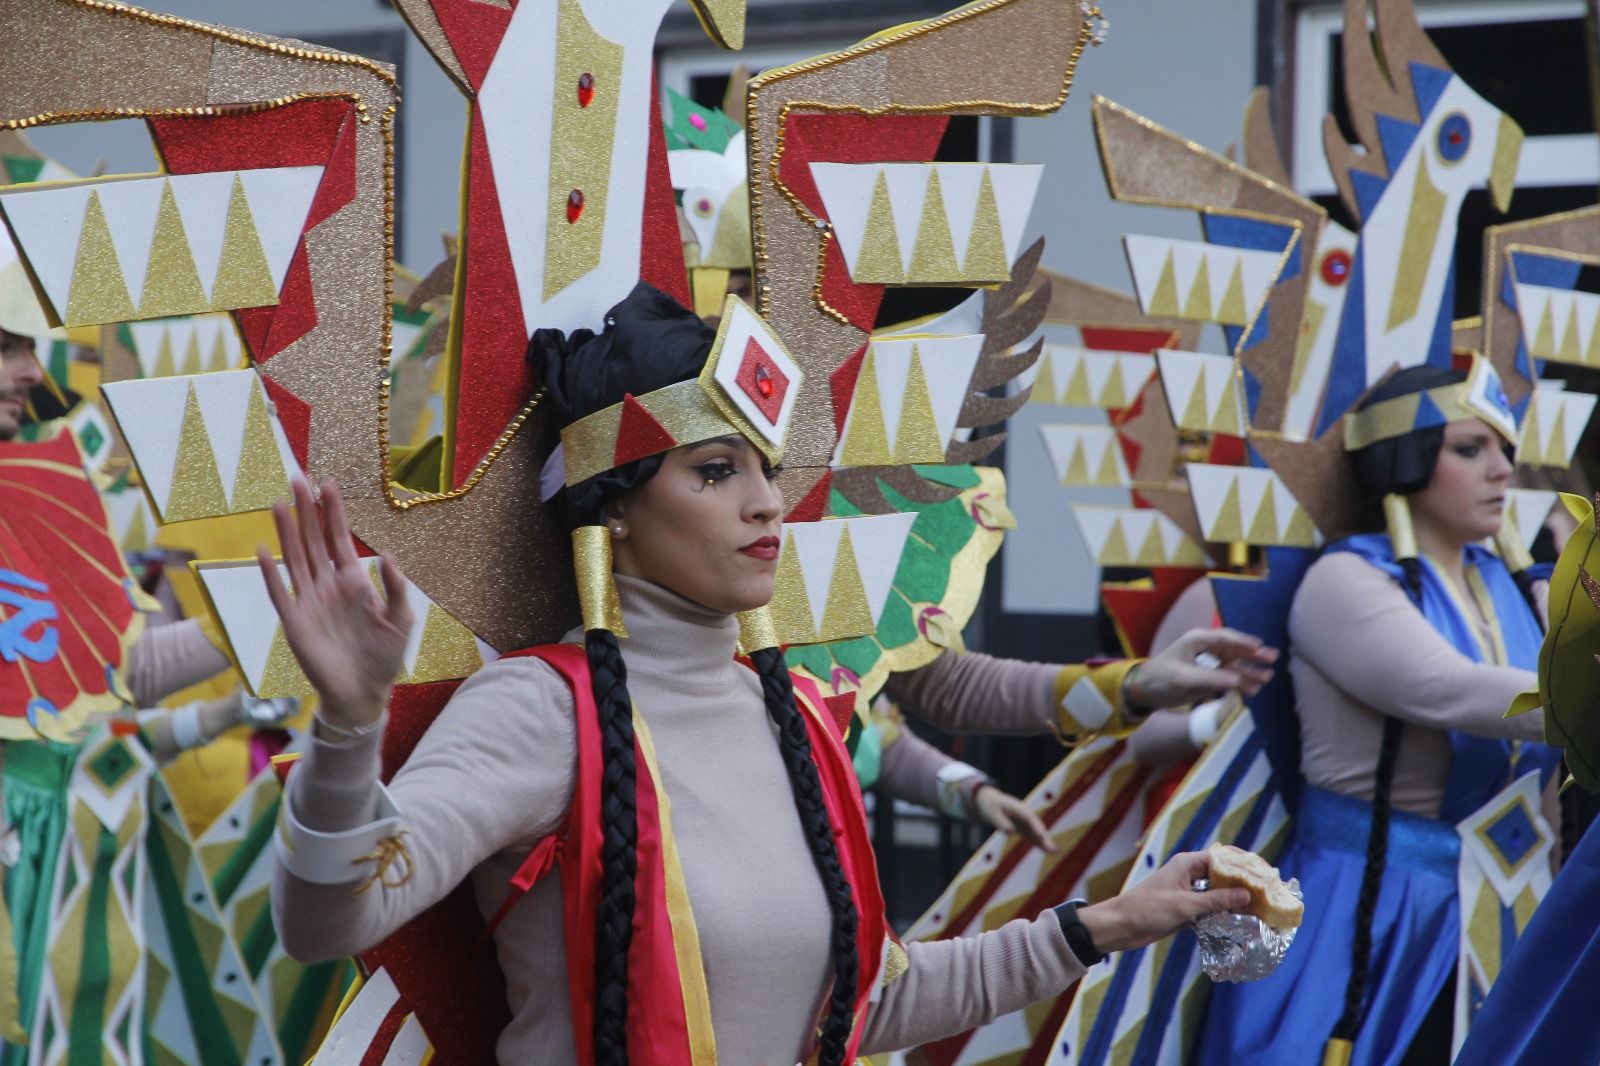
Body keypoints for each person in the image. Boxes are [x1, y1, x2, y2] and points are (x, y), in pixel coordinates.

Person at [266, 283, 1269, 1065]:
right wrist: (350, 722)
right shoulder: (540, 710)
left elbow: (863, 1005)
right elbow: (327, 922)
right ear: (612, 508)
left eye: (766, 468)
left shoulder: (793, 715)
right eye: (713, 471)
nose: (767, 504)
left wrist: (1108, 921)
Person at [1197, 363, 1561, 1066]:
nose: (1502, 471)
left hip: (1510, 905)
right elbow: (1444, 689)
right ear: (1405, 457)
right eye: (1469, 449)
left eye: (1506, 451)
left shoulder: (1512, 584)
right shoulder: (1345, 581)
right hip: (1366, 907)